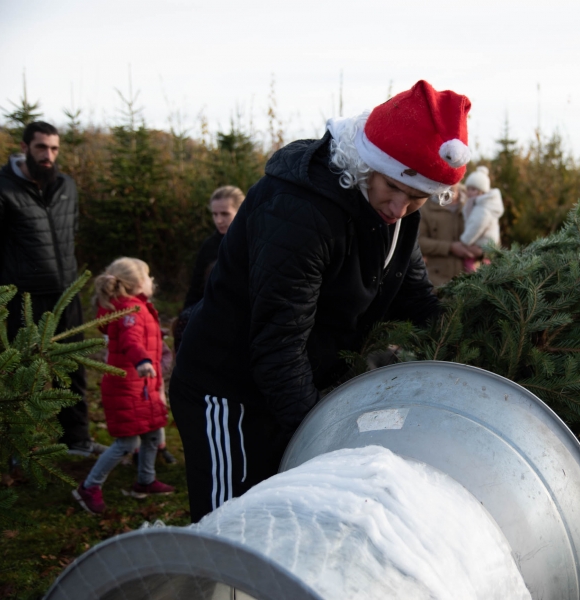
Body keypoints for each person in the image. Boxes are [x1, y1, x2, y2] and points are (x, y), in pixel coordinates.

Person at [171, 80, 470, 521]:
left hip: (295, 387)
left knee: (279, 519)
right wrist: (321, 439)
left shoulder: (399, 217)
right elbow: (279, 343)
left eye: (418, 197)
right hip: (229, 389)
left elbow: (416, 297)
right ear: (366, 163)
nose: (399, 206)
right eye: (392, 186)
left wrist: (476, 336)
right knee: (229, 525)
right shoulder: (299, 212)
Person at [0, 121, 104, 457]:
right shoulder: (3, 188)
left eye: (54, 149)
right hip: (23, 299)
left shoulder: (66, 186)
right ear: (25, 147)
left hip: (65, 294)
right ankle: (17, 448)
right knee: (19, 372)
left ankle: (77, 439)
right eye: (42, 147)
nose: (48, 155)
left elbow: (69, 233)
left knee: (71, 368)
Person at [72, 258, 174, 515]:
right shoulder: (131, 310)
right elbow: (130, 339)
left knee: (151, 433)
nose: (152, 282)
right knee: (127, 443)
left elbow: (136, 334)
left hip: (142, 386)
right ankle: (88, 487)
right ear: (136, 284)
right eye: (148, 277)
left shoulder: (134, 307)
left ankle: (146, 480)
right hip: (128, 386)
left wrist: (156, 335)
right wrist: (141, 360)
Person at [173, 185, 245, 352]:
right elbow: (196, 285)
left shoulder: (252, 241)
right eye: (215, 214)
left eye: (225, 214)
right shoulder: (210, 246)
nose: (219, 220)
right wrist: (186, 318)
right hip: (210, 313)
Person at [418, 183, 474, 286]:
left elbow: (492, 240)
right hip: (438, 285)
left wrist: (480, 252)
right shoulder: (425, 207)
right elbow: (419, 242)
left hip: (472, 284)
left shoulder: (473, 202)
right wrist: (450, 247)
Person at [460, 165, 504, 272]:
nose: (470, 192)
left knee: (468, 262)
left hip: (482, 243)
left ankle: (473, 276)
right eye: (468, 189)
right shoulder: (478, 203)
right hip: (484, 243)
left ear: (482, 191)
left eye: (473, 189)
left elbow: (476, 225)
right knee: (482, 263)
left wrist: (464, 241)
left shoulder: (482, 208)